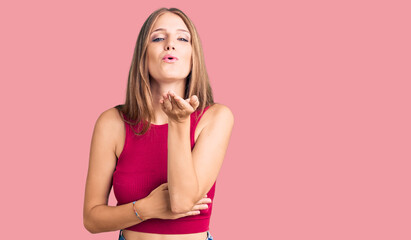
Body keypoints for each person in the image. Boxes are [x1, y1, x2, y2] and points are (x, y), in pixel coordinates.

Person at [83, 7, 234, 240]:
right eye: (158, 38)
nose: (170, 45)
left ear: (194, 57)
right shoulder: (111, 122)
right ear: (143, 55)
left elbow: (181, 202)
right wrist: (145, 209)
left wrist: (179, 122)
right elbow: (92, 219)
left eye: (182, 38)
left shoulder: (215, 117)